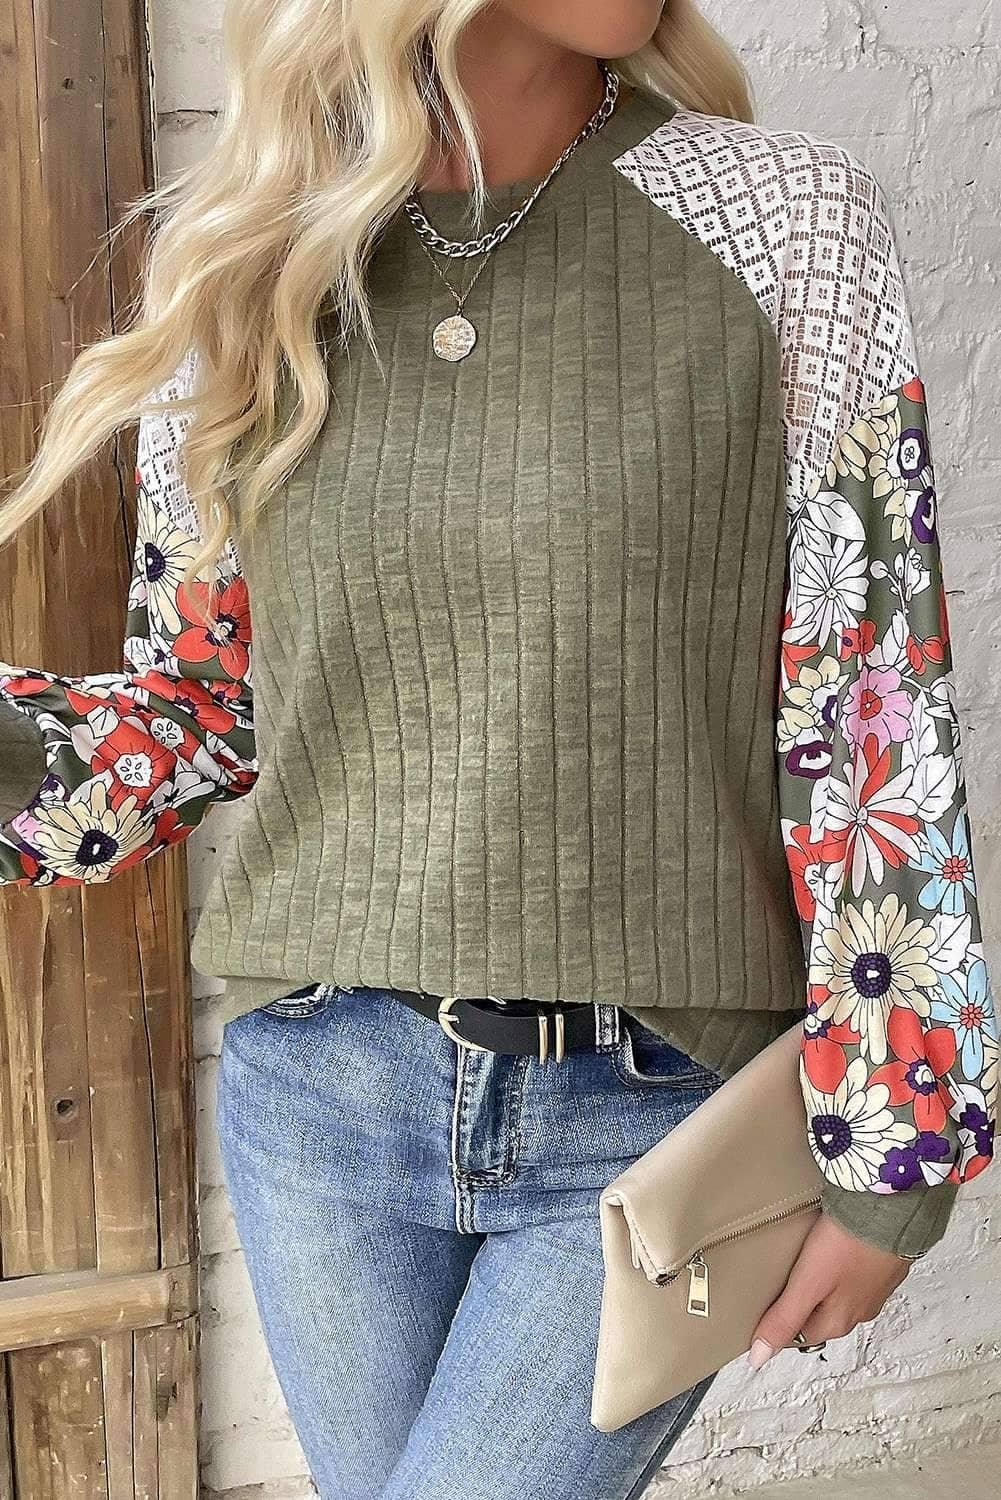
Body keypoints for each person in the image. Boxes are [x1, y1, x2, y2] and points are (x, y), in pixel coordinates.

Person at [0, 3, 996, 1497]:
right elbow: (202, 707)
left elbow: (874, 707)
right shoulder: (240, 252)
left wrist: (897, 1154)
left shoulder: (783, 225)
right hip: (320, 1093)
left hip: (655, 1105)